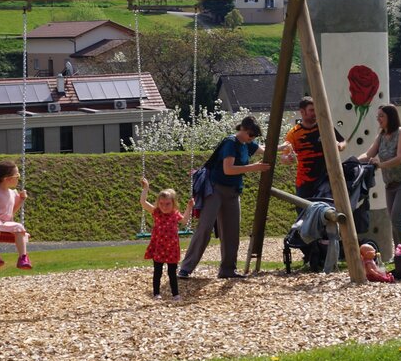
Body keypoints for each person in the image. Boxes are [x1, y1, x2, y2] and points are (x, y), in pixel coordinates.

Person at [179, 116, 270, 279]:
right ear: (242, 129)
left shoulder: (246, 143)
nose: (252, 138)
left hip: (233, 192)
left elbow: (264, 149)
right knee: (205, 227)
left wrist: (284, 147)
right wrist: (255, 167)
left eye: (255, 136)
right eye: (251, 134)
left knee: (231, 231)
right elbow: (228, 169)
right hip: (215, 189)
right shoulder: (230, 143)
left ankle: (227, 269)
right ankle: (186, 268)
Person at [356, 104, 401, 246]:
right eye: (377, 116)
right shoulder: (381, 136)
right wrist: (353, 161)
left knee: (397, 220)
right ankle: (399, 254)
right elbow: (368, 154)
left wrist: (380, 165)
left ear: (390, 117)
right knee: (393, 221)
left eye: (381, 116)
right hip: (391, 184)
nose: (378, 119)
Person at [278, 96, 347, 200]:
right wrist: (288, 159)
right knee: (305, 210)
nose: (315, 113)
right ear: (302, 112)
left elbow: (343, 141)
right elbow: (283, 158)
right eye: (311, 110)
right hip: (305, 183)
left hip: (326, 180)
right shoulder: (293, 134)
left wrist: (340, 146)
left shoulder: (324, 127)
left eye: (316, 110)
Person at [139, 178, 194, 300]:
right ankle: (156, 293)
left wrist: (189, 207)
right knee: (157, 272)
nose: (164, 207)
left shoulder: (175, 214)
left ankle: (175, 294)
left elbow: (185, 221)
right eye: (161, 203)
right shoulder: (156, 212)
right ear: (158, 203)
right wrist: (146, 188)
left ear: (173, 203)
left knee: (172, 273)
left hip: (172, 249)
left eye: (167, 204)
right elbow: (143, 202)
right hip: (158, 247)